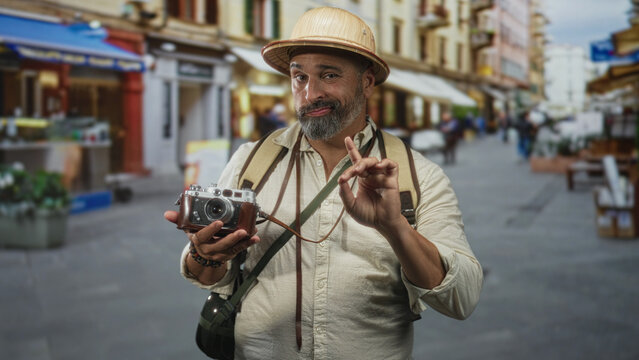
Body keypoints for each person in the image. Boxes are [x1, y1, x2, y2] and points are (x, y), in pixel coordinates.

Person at [164, 7, 482, 359]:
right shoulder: (251, 160)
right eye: (299, 77)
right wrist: (203, 254)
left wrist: (396, 228)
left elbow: (462, 298)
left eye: (329, 75)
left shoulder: (417, 174)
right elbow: (209, 276)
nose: (310, 93)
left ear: (367, 82)